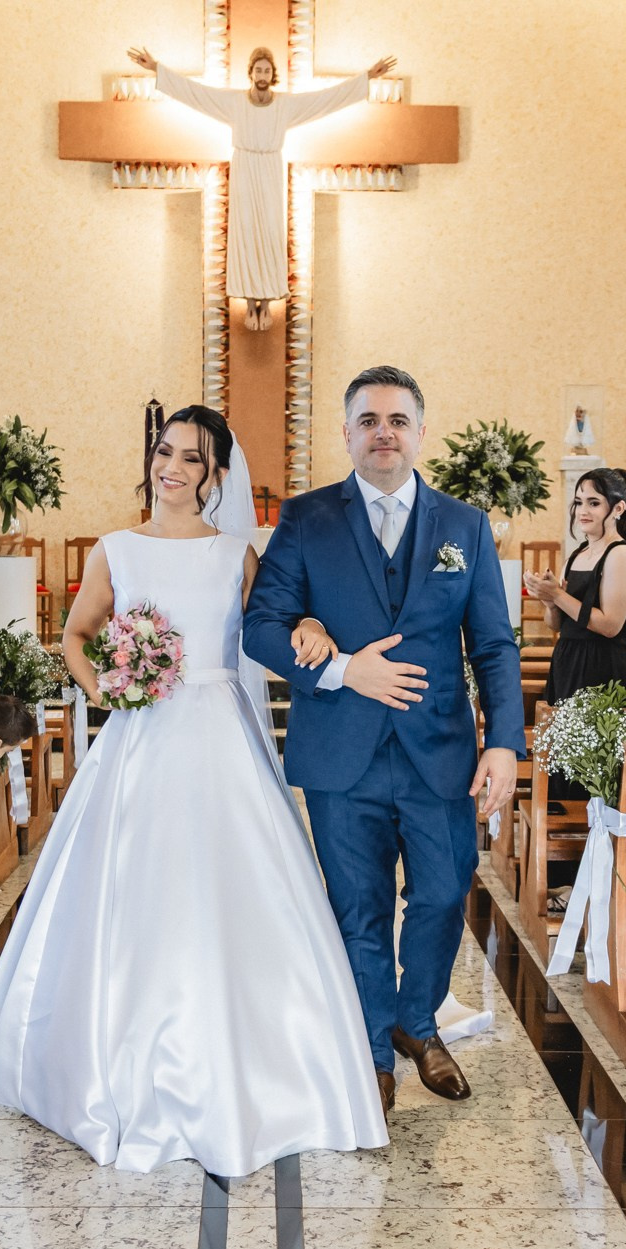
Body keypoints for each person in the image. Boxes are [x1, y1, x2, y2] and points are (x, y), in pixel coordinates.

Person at [0, 405, 387, 1175]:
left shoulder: (233, 553)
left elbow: (273, 623)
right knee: (132, 884)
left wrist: (314, 626)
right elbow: (75, 635)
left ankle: (262, 1059)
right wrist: (108, 689)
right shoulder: (116, 549)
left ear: (214, 475)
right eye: (164, 451)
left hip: (220, 731)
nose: (171, 467)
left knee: (234, 885)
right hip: (141, 735)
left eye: (190, 457)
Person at [244, 365, 527, 1112]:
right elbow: (261, 627)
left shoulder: (464, 525)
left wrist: (504, 741)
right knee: (358, 907)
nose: (383, 433)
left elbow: (493, 644)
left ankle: (415, 1019)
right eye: (368, 420)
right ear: (346, 433)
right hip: (342, 753)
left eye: (397, 420)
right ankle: (374, 1050)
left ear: (420, 432)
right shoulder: (306, 519)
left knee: (443, 891)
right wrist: (343, 670)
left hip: (441, 753)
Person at [129, 45, 396, 332]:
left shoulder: (284, 105)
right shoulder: (234, 102)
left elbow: (323, 100)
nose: (262, 75)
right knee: (244, 230)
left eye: (267, 70)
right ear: (251, 73)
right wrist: (156, 68)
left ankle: (266, 301)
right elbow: (197, 94)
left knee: (270, 230)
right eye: (258, 70)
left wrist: (368, 76)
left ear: (272, 75)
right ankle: (249, 302)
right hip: (244, 166)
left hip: (269, 167)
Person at [524, 466, 626, 726]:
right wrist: (550, 603)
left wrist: (557, 594)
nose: (582, 511)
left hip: (605, 664)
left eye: (594, 503)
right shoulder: (576, 556)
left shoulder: (621, 554)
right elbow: (557, 625)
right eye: (579, 502)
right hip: (568, 659)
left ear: (618, 508)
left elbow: (610, 625)